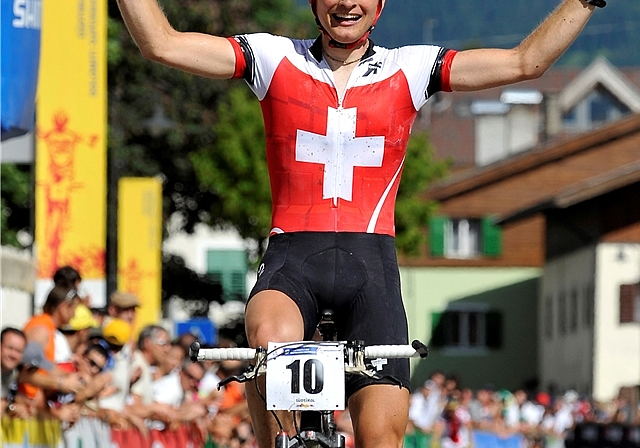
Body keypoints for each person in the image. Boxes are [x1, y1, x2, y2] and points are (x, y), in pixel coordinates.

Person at [114, 0, 606, 446]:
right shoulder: (271, 57)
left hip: (371, 272)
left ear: (380, 5)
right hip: (292, 263)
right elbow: (161, 44)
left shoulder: (411, 67)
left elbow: (526, 62)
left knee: (379, 437)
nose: (347, 3)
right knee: (269, 349)